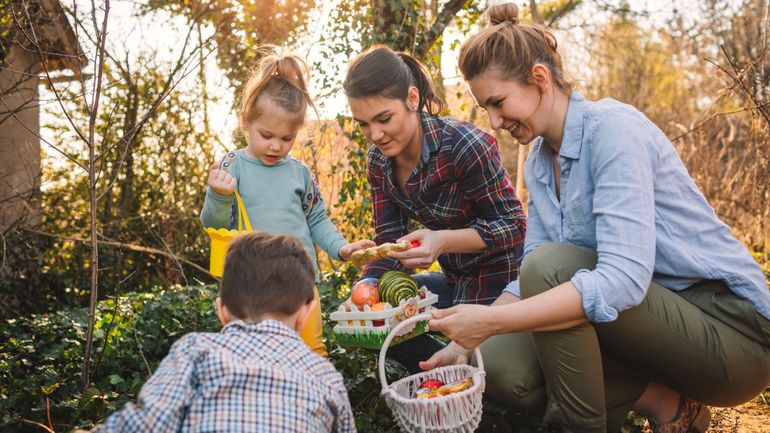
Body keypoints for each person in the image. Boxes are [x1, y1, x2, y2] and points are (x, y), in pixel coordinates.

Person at [421, 3, 770, 433]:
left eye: (498, 102)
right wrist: (465, 341)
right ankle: (665, 402)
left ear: (539, 79)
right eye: (485, 109)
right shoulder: (538, 162)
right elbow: (527, 279)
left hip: (731, 334)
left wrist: (491, 320)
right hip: (648, 327)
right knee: (499, 366)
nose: (493, 122)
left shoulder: (613, 131)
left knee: (550, 269)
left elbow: (621, 278)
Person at [342, 45, 527, 373]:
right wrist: (364, 290)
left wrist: (442, 241)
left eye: (384, 119)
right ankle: (448, 374)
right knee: (381, 326)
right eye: (364, 124)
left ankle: (473, 369)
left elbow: (514, 225)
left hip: (505, 284)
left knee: (500, 374)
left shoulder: (463, 145)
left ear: (412, 99)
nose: (375, 135)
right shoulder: (378, 163)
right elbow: (389, 243)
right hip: (455, 282)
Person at [87, 232, 356, 433]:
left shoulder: (196, 350)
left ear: (222, 311)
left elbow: (145, 423)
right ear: (306, 313)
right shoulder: (324, 376)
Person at [200, 47, 374, 357]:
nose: (276, 146)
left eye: (286, 138)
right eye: (266, 134)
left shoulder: (299, 174)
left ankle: (315, 403)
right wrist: (219, 195)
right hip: (250, 284)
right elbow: (213, 225)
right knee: (253, 357)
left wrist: (341, 248)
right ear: (246, 121)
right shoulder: (232, 167)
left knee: (311, 351)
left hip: (300, 281)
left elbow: (317, 219)